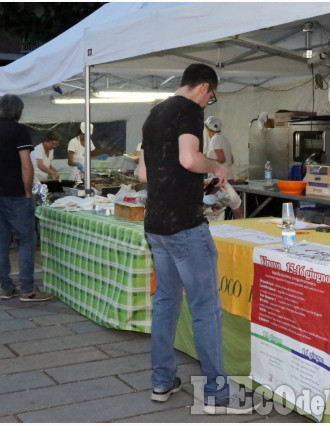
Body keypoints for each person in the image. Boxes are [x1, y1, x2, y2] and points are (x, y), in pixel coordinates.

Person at [138, 63, 257, 414]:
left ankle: (162, 381)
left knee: (165, 304)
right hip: (186, 225)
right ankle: (217, 392)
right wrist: (218, 168)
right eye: (212, 98)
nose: (208, 105)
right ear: (205, 88)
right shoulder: (189, 111)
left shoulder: (154, 113)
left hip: (156, 224)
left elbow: (144, 172)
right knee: (206, 309)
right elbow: (190, 159)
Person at [0, 94, 53, 302]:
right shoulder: (19, 131)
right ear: (18, 110)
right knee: (26, 240)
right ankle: (27, 289)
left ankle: (6, 287)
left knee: (1, 241)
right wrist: (27, 191)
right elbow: (26, 164)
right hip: (16, 194)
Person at [205, 116, 234, 180]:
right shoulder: (224, 139)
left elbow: (221, 159)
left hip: (219, 178)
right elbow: (232, 160)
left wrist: (206, 160)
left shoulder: (215, 139)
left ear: (209, 129)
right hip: (229, 176)